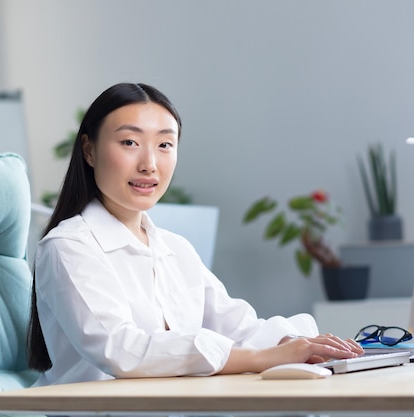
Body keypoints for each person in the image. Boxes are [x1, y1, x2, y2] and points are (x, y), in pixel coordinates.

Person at [27, 82, 363, 386]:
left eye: (164, 144)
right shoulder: (69, 246)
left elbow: (239, 326)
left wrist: (294, 345)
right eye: (129, 142)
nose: (149, 164)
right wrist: (260, 358)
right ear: (88, 150)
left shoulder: (175, 249)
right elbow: (121, 351)